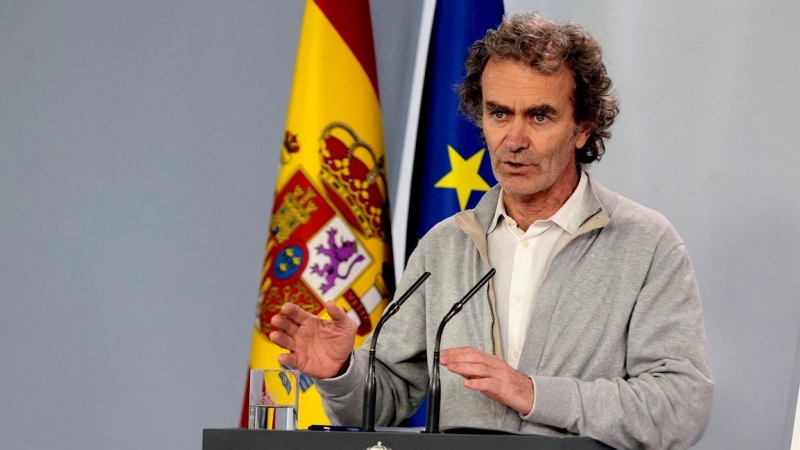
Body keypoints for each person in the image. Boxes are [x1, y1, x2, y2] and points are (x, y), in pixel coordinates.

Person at [269, 12, 714, 450]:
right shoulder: (445, 245)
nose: (514, 139)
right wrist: (340, 371)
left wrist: (534, 394)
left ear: (583, 128)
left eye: (540, 116)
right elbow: (385, 400)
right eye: (499, 113)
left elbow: (679, 406)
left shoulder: (646, 244)